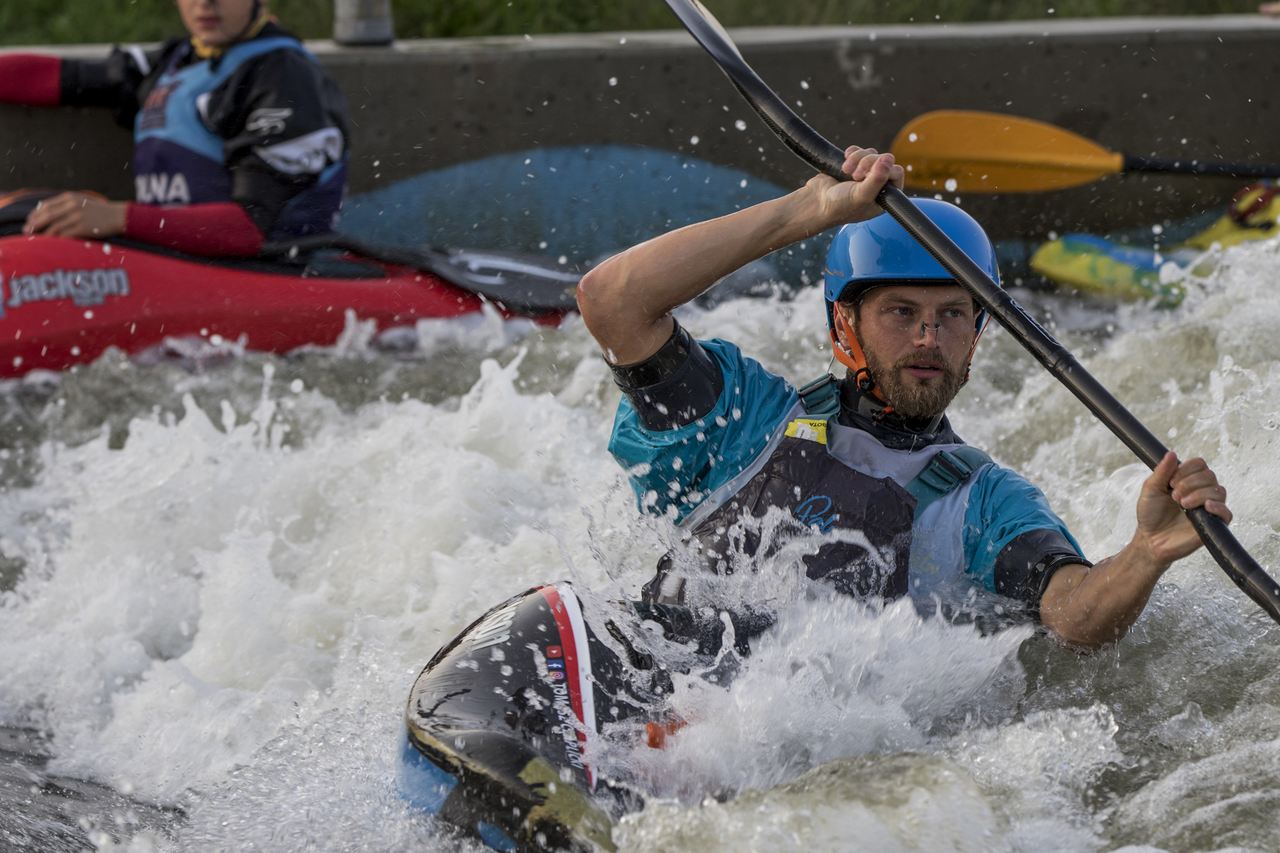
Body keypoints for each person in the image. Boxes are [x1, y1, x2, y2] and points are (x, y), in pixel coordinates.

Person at [576, 146, 1233, 650]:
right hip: (657, 678)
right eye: (900, 310)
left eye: (953, 314)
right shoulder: (746, 418)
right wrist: (810, 211)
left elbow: (1074, 611)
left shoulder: (983, 498)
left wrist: (1145, 552)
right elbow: (612, 300)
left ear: (976, 338)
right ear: (843, 328)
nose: (928, 335)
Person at [0, 0, 349, 257]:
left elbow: (249, 230)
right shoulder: (176, 60)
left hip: (262, 272)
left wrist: (117, 217)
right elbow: (64, 78)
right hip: (173, 256)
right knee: (22, 211)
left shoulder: (284, 77)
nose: (205, 3)